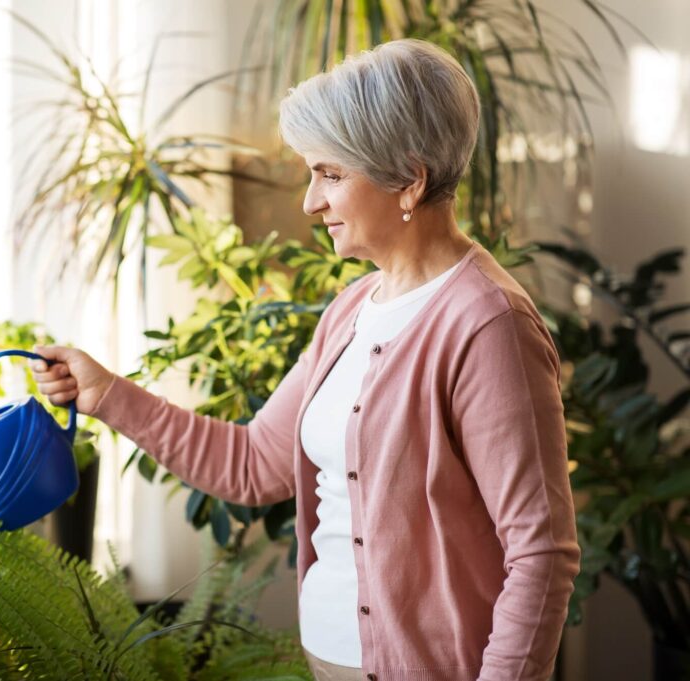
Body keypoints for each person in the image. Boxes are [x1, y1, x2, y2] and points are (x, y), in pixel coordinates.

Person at [30, 38, 580, 681]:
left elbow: (541, 553)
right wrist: (106, 396)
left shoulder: (487, 325)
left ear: (410, 177)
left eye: (331, 174)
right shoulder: (351, 311)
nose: (310, 203)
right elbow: (253, 464)